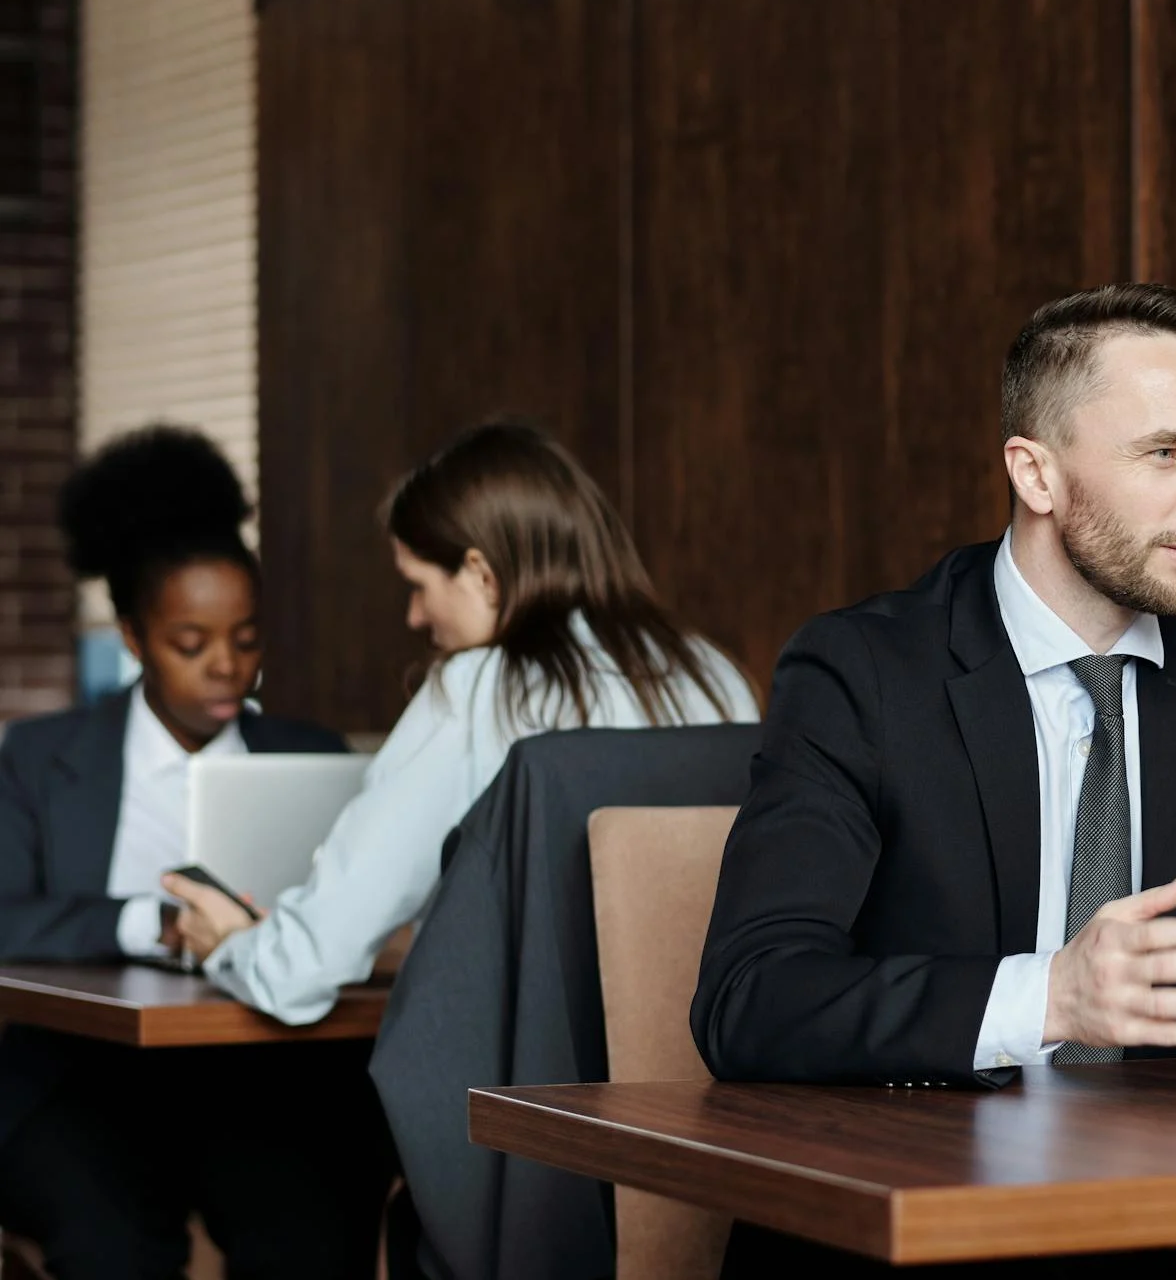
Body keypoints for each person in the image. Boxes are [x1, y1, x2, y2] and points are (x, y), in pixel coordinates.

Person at [692, 283, 1176, 1274]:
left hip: (1173, 1219)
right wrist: (1049, 1002)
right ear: (1035, 473)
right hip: (922, 1222)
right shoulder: (863, 672)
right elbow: (751, 998)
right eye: (1165, 453)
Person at [165, 420, 759, 1024]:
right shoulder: (714, 675)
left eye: (419, 585)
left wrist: (232, 944)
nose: (415, 615)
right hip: (693, 1073)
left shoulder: (478, 690)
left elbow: (302, 969)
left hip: (518, 1095)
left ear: (480, 574)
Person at [0, 426, 390, 1279]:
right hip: (80, 1081)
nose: (227, 668)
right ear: (135, 639)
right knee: (114, 1245)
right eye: (191, 643)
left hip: (262, 1076)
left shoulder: (311, 753)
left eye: (247, 640)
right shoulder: (39, 756)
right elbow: (6, 916)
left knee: (311, 1233)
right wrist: (149, 922)